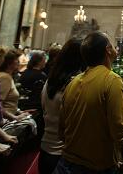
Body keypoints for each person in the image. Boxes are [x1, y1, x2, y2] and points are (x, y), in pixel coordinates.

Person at [56, 32, 123, 173]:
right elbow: (121, 130)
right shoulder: (112, 80)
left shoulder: (72, 82)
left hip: (66, 163)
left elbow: (61, 131)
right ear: (108, 49)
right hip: (96, 167)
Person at [40, 38, 83, 174]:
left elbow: (44, 109)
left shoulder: (50, 81)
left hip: (46, 148)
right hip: (65, 155)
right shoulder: (75, 84)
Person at [0, 49, 22, 116]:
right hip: (6, 119)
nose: (18, 62)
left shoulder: (8, 76)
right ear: (9, 63)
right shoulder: (5, 77)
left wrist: (19, 112)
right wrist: (15, 117)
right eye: (16, 60)